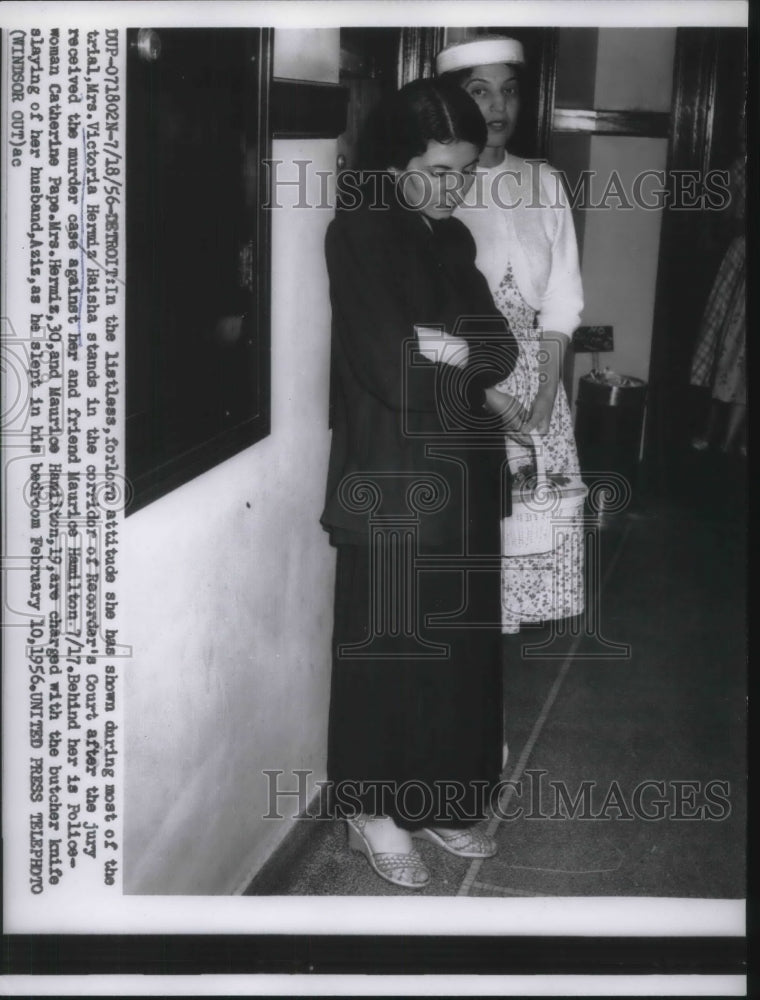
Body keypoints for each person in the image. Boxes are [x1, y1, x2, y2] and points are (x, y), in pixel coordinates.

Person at [322, 78, 520, 889]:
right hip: (394, 481)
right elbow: (387, 369)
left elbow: (501, 348)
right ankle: (374, 810)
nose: (454, 187)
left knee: (457, 654)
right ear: (395, 159)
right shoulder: (358, 235)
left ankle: (437, 799)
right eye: (439, 169)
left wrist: (448, 351)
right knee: (393, 651)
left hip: (465, 474)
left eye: (464, 171)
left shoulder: (453, 240)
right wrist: (446, 357)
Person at [437, 35, 586, 635]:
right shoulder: (437, 182)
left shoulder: (545, 183)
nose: (498, 107)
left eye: (509, 90)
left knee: (528, 535)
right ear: (455, 98)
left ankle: (489, 706)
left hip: (534, 389)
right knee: (469, 557)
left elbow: (561, 303)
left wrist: (546, 400)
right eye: (480, 91)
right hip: (464, 384)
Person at [689, 148, 746, 457]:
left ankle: (737, 438)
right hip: (740, 262)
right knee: (726, 343)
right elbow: (726, 219)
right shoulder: (742, 165)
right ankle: (713, 433)